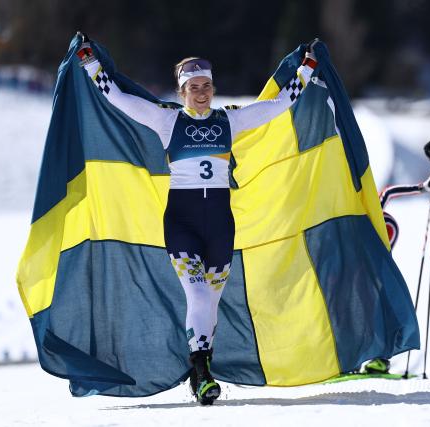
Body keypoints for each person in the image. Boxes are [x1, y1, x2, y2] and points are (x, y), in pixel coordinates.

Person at [75, 33, 318, 405]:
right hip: (182, 223)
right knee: (198, 293)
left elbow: (278, 104)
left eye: (206, 85)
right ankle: (202, 373)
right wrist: (91, 64)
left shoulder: (230, 121)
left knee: (210, 303)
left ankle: (199, 371)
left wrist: (307, 68)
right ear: (181, 91)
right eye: (193, 87)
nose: (201, 92)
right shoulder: (165, 120)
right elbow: (118, 99)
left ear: (213, 87)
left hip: (220, 224)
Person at [360, 172, 430, 375]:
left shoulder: (373, 210)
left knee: (381, 313)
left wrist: (423, 187)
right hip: (358, 272)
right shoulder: (345, 219)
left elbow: (389, 191)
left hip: (377, 272)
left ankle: (380, 359)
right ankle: (352, 359)